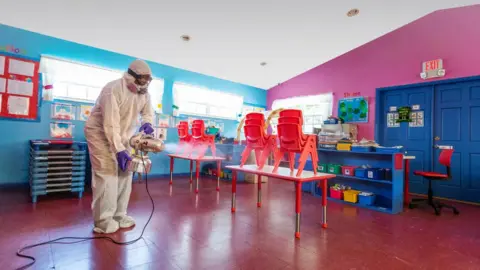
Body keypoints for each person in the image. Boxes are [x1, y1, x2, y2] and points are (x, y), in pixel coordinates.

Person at [84, 59, 155, 234]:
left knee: (126, 173)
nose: (145, 83)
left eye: (148, 79)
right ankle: (103, 221)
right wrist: (118, 149)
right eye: (141, 79)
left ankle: (119, 215)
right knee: (107, 175)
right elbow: (110, 124)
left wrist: (147, 124)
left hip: (123, 135)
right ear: (131, 76)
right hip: (100, 134)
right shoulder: (113, 89)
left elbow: (147, 112)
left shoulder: (144, 94)